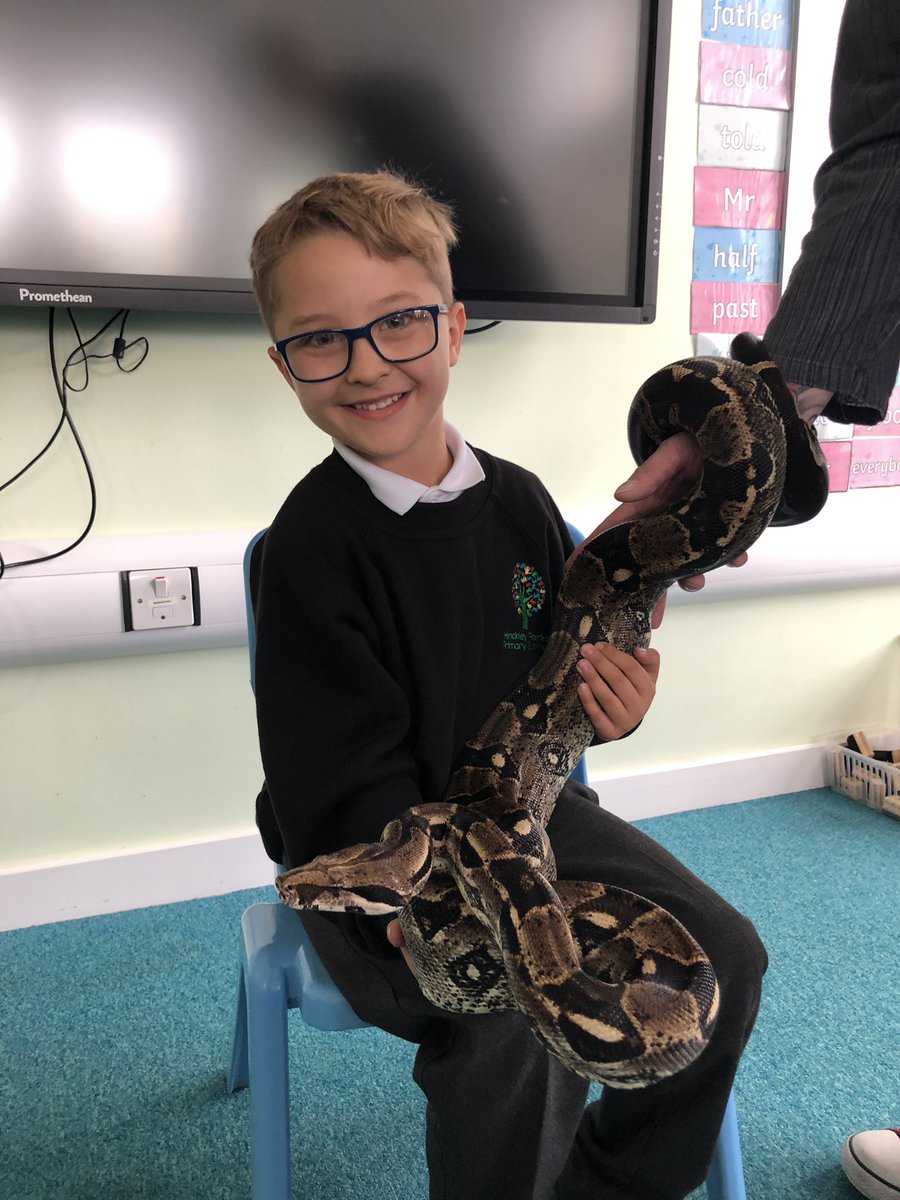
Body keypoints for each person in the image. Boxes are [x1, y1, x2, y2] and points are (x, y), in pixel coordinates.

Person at [248, 169, 767, 1200]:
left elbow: (564, 688)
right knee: (513, 1019)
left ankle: (614, 1186)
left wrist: (610, 709)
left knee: (730, 955)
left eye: (398, 322)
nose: (365, 365)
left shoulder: (522, 503)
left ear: (452, 328)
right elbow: (333, 777)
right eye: (320, 338)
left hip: (537, 820)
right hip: (383, 863)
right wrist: (408, 899)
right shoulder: (310, 551)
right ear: (284, 364)